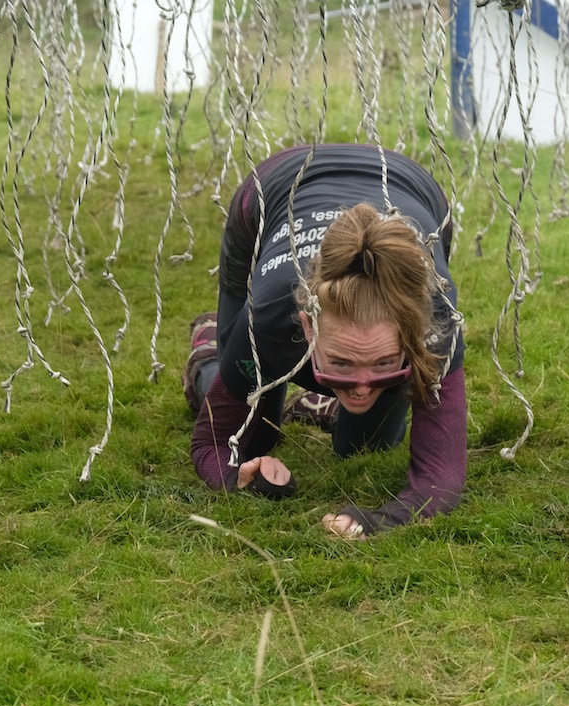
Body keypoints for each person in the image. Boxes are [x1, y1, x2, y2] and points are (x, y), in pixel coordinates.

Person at [183, 143, 466, 539]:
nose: (364, 387)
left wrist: (382, 521)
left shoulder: (435, 322)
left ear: (412, 334)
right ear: (309, 327)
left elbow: (442, 475)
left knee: (365, 444)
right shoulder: (270, 315)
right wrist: (238, 477)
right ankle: (208, 351)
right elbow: (211, 443)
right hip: (270, 192)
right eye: (343, 364)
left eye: (385, 363)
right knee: (258, 431)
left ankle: (321, 400)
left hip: (412, 184)